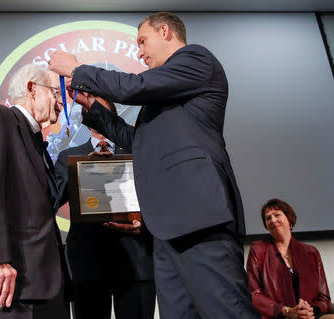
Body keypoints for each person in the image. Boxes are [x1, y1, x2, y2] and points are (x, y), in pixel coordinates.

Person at [49, 11, 260, 319]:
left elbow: (133, 87)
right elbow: (135, 141)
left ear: (165, 31)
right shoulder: (167, 95)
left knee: (227, 312)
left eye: (143, 41)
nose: (139, 51)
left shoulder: (196, 60)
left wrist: (77, 69)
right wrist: (93, 107)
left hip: (199, 219)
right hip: (165, 231)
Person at [0, 64, 70, 319]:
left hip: (45, 285)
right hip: (11, 284)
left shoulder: (34, 140)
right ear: (32, 89)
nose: (60, 102)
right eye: (55, 92)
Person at [54, 99, 156, 319]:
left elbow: (157, 199)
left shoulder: (136, 152)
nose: (97, 116)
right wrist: (82, 170)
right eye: (91, 111)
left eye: (101, 111)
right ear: (85, 119)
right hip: (87, 264)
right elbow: (52, 201)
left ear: (113, 116)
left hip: (135, 262)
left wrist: (142, 223)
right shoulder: (68, 158)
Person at [247, 198, 333, 319]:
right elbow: (254, 294)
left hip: (309, 316)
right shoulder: (258, 250)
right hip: (279, 316)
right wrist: (287, 311)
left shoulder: (311, 252)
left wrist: (308, 310)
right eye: (268, 218)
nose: (273, 220)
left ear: (289, 220)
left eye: (277, 215)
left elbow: (324, 298)